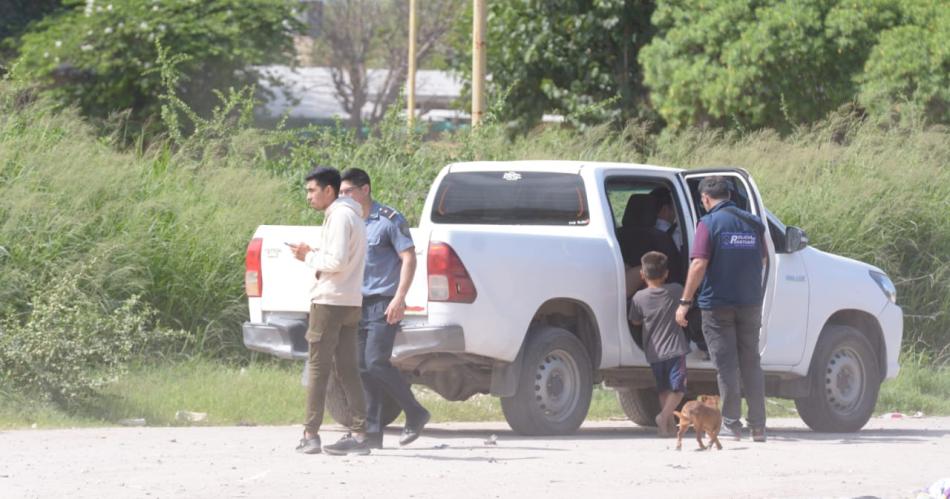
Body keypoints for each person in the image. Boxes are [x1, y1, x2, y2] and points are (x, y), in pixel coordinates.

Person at [340, 168, 431, 448]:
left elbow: (408, 258)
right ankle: (372, 433)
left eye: (348, 192)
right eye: (340, 193)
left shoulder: (389, 219)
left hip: (383, 301)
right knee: (362, 367)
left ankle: (415, 412)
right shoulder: (348, 222)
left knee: (376, 362)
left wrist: (399, 297)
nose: (343, 197)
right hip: (356, 302)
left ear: (364, 190)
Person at [675, 176, 768, 443]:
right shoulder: (753, 222)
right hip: (750, 303)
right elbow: (761, 259)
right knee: (751, 362)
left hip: (717, 305)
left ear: (705, 199)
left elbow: (699, 264)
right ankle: (759, 427)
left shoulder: (708, 224)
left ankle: (731, 424)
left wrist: (685, 302)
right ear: (728, 195)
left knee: (727, 366)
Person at [289, 166, 372, 456]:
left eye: (312, 190)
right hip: (350, 301)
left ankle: (310, 435)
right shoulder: (355, 214)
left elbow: (335, 261)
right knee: (348, 369)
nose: (308, 196)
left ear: (329, 190)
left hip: (330, 302)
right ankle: (361, 436)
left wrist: (307, 256)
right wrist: (316, 255)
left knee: (318, 369)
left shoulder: (338, 215)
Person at [628, 251, 690, 437]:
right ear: (666, 274)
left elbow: (635, 321)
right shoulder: (676, 290)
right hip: (674, 350)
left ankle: (666, 429)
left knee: (664, 390)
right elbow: (688, 303)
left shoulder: (638, 298)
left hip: (653, 353)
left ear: (642, 275)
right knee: (679, 388)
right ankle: (663, 417)